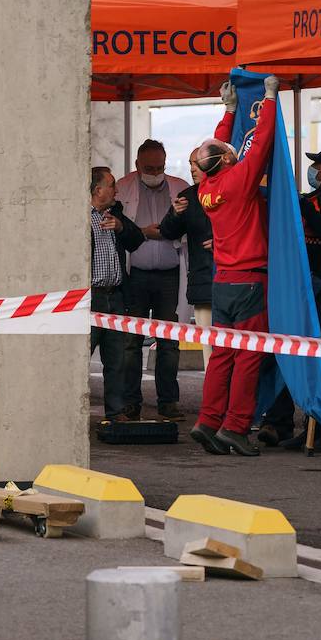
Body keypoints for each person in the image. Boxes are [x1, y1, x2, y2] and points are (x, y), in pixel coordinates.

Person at [188, 75, 279, 457]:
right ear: (227, 159)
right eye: (228, 150)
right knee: (248, 356)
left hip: (222, 281)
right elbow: (259, 144)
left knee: (222, 354)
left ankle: (208, 421)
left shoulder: (207, 188)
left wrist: (228, 112)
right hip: (250, 281)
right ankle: (236, 428)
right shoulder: (240, 179)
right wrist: (270, 99)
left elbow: (210, 152)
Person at [259, 145, 321, 447]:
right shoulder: (316, 198)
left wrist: (300, 204)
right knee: (290, 351)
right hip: (307, 287)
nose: (313, 169)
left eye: (318, 164)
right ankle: (278, 422)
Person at [118, 140, 191, 421]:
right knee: (131, 342)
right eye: (149, 168)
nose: (155, 172)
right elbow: (118, 228)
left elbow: (189, 226)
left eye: (159, 167)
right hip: (135, 275)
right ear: (137, 166)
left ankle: (168, 402)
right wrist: (145, 232)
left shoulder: (180, 187)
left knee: (169, 343)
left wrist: (169, 233)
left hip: (170, 276)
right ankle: (130, 402)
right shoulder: (123, 188)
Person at [89, 166, 145, 422]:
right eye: (112, 185)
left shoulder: (116, 212)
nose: (116, 190)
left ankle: (115, 412)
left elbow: (136, 240)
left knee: (116, 360)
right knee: (80, 357)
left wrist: (121, 227)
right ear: (98, 189)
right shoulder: (78, 217)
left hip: (116, 297)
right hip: (90, 299)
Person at [159, 151, 214, 362]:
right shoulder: (188, 197)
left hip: (234, 284)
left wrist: (223, 244)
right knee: (209, 353)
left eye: (197, 164)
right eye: (191, 164)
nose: (192, 169)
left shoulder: (232, 194)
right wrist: (175, 214)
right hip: (202, 282)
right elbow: (167, 232)